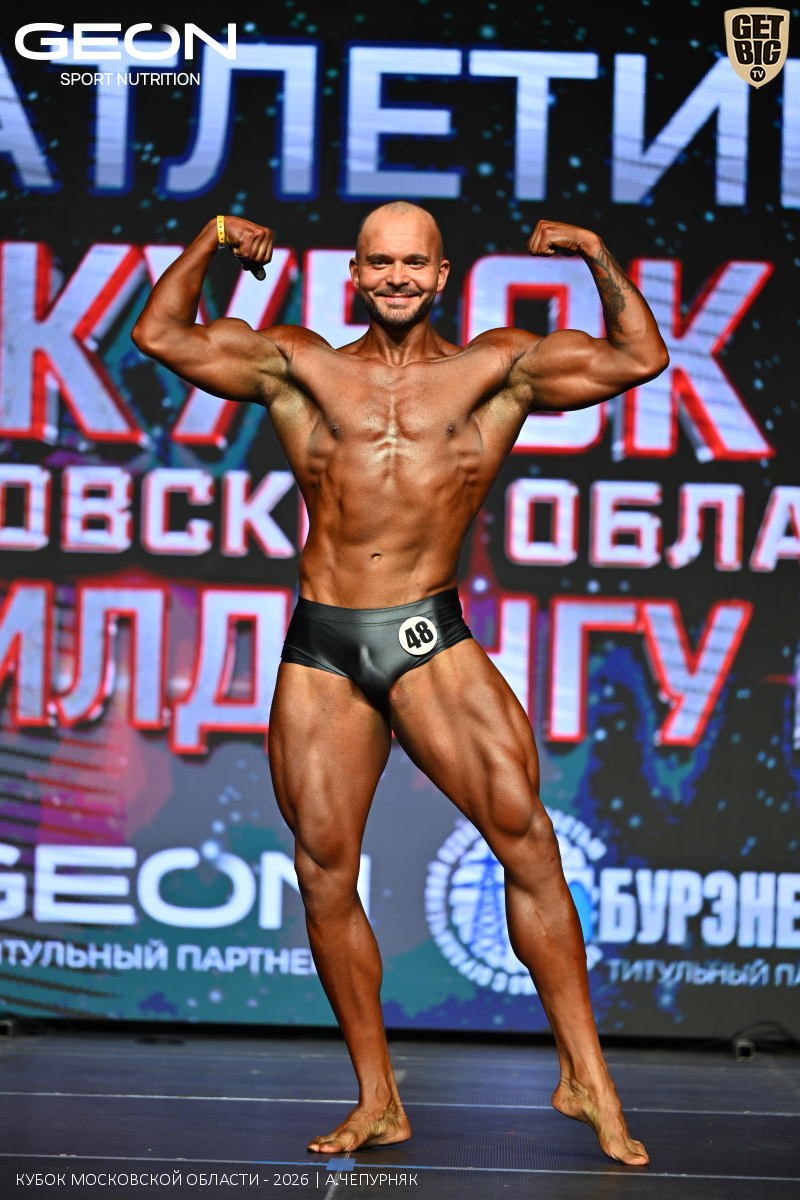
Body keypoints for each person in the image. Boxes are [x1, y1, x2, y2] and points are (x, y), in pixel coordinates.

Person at [132, 203, 668, 1166]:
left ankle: (587, 1074)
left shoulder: (495, 369)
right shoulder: (300, 365)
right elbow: (161, 335)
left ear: (442, 274)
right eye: (379, 263)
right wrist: (211, 240)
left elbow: (640, 357)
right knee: (322, 871)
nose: (396, 278)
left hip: (426, 635)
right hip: (323, 648)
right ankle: (378, 1098)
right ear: (354, 274)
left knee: (527, 839)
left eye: (413, 263)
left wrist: (594, 253)